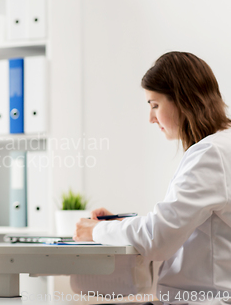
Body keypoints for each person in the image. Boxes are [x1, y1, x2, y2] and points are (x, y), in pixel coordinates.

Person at [75, 51, 231, 301]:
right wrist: (116, 227)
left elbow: (158, 237)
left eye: (155, 105)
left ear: (184, 100)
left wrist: (95, 231)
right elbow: (173, 227)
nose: (151, 117)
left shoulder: (210, 153)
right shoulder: (220, 147)